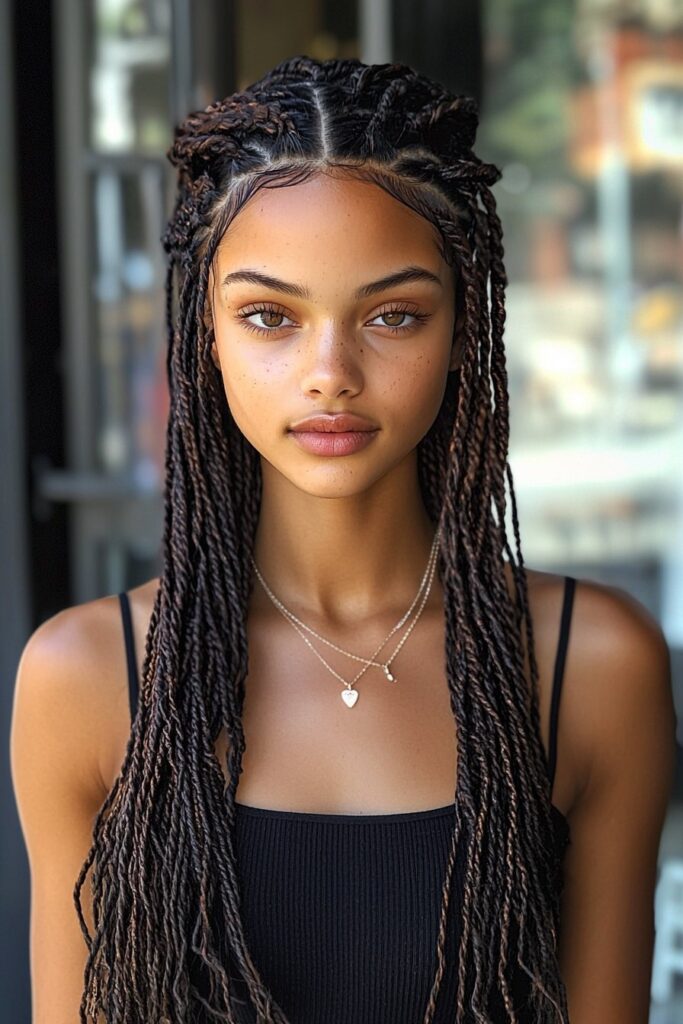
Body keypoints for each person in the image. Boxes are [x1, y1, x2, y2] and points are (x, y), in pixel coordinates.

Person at [10, 55, 677, 1024]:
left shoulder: (586, 663)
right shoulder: (88, 674)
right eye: (269, 316)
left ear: (463, 328)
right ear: (205, 334)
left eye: (392, 314)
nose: (330, 372)